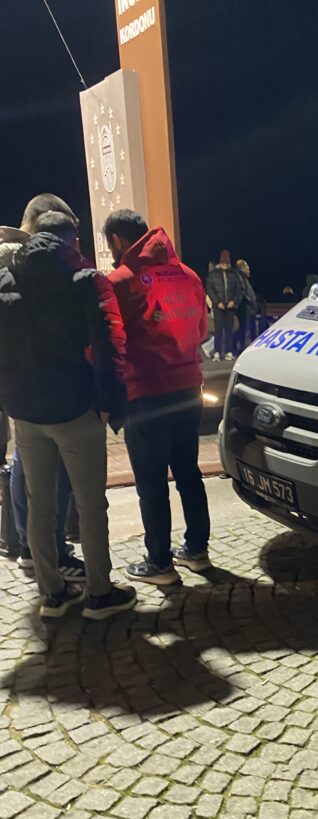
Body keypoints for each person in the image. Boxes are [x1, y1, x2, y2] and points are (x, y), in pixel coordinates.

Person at [0, 211, 135, 619]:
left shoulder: (5, 278)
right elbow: (107, 345)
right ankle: (99, 594)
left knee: (39, 504)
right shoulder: (84, 280)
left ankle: (52, 595)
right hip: (76, 409)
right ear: (71, 241)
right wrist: (111, 403)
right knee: (91, 505)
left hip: (25, 413)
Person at [104, 209, 212, 586]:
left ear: (117, 240)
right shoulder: (189, 276)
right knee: (188, 473)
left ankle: (159, 562)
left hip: (146, 394)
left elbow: (110, 341)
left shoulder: (121, 281)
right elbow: (202, 329)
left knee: (151, 482)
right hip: (188, 388)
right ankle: (197, 550)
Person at [0, 195, 97, 583]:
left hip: (18, 389)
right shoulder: (25, 261)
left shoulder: (11, 258)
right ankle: (50, 557)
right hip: (48, 389)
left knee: (27, 472)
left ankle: (34, 555)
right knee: (51, 482)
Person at [206, 250, 243, 361]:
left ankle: (228, 352)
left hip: (230, 307)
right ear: (220, 262)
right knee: (218, 330)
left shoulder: (235, 274)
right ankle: (217, 352)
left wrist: (234, 301)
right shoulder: (213, 275)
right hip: (218, 307)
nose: (225, 265)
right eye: (223, 263)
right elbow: (210, 289)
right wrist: (217, 302)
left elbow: (239, 289)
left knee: (229, 330)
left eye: (227, 263)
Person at [234, 259, 258, 354]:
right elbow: (242, 292)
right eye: (246, 266)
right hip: (243, 307)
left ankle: (239, 347)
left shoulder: (243, 277)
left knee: (243, 328)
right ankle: (239, 348)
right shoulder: (239, 277)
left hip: (247, 307)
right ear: (242, 267)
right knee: (241, 328)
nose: (248, 268)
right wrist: (249, 302)